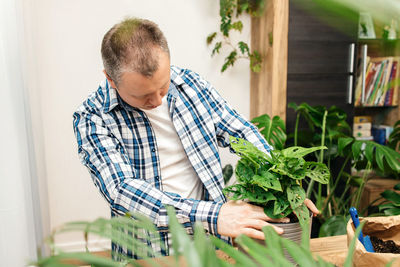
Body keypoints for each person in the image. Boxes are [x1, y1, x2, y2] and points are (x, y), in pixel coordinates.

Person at [72, 17, 319, 260]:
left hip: (210, 245)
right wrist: (215, 216)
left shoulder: (189, 84)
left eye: (163, 86)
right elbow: (123, 191)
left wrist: (284, 184)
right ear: (110, 79)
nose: (158, 101)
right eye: (144, 96)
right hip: (147, 252)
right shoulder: (92, 118)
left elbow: (240, 131)